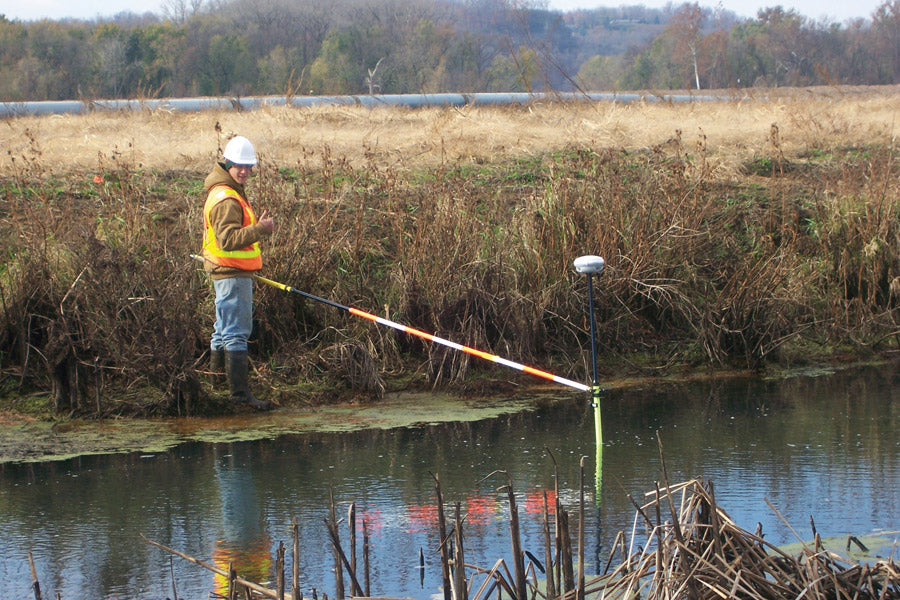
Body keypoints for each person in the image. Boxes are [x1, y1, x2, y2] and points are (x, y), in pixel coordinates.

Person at [202, 135, 274, 411]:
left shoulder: (225, 191)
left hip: (227, 273)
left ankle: (217, 388)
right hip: (232, 275)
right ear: (227, 164)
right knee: (236, 333)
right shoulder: (226, 198)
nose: (244, 171)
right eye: (238, 166)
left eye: (248, 167)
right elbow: (228, 240)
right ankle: (240, 397)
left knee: (221, 332)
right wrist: (261, 230)